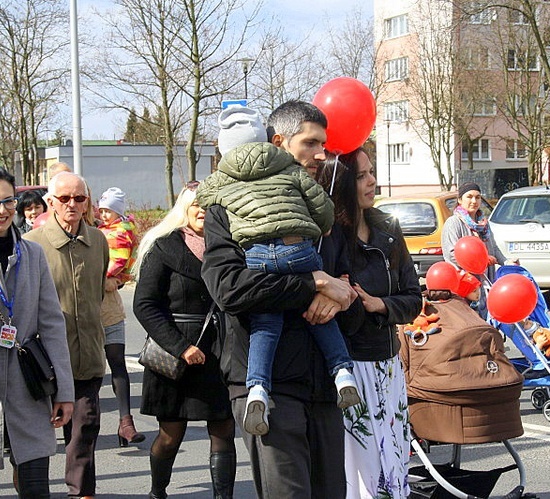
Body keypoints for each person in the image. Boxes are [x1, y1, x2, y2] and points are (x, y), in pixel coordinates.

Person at [201, 100, 357, 497]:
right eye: (310, 144)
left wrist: (342, 294)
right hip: (266, 384)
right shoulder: (228, 206)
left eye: (324, 144)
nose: (321, 155)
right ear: (278, 142)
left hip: (323, 382)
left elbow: (350, 276)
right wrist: (312, 285)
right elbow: (230, 288)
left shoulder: (320, 207)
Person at [0, 167, 75, 498]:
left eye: (8, 200)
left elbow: (52, 324)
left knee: (37, 485)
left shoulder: (33, 254)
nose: (1, 209)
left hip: (29, 383)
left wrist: (64, 391)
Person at [319, 149, 422, 499]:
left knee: (393, 465)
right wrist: (345, 300)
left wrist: (380, 305)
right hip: (349, 369)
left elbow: (413, 299)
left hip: (388, 365)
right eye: (362, 175)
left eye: (372, 172)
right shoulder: (328, 237)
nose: (372, 181)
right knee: (358, 469)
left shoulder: (389, 229)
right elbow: (328, 314)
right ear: (344, 182)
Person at [133, 184, 235, 499]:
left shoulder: (230, 247)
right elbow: (145, 305)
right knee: (170, 434)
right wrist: (181, 347)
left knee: (223, 431)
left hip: (220, 351)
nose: (202, 210)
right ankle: (158, 491)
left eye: (208, 204)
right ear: (184, 208)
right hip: (174, 353)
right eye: (195, 204)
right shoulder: (163, 247)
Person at [24, 172, 109, 499]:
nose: (72, 204)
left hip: (87, 356)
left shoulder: (98, 240)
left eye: (79, 198)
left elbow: (97, 293)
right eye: (64, 198)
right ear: (50, 202)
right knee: (37, 438)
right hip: (42, 361)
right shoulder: (32, 244)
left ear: (88, 202)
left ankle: (82, 494)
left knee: (84, 431)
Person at [96, 187, 144, 447]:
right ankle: (88, 421)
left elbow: (120, 260)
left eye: (108, 210)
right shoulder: (96, 231)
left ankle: (126, 422)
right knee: (90, 370)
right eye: (101, 209)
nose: (103, 214)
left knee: (117, 363)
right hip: (85, 309)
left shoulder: (120, 231)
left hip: (110, 305)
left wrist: (112, 277)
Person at [441, 182, 513, 318]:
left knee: (487, 320)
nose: (474, 201)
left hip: (485, 282)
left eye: (478, 197)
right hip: (465, 285)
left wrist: (508, 262)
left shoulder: (484, 225)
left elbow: (493, 248)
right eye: (469, 197)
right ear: (460, 200)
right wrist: (481, 261)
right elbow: (451, 254)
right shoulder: (453, 223)